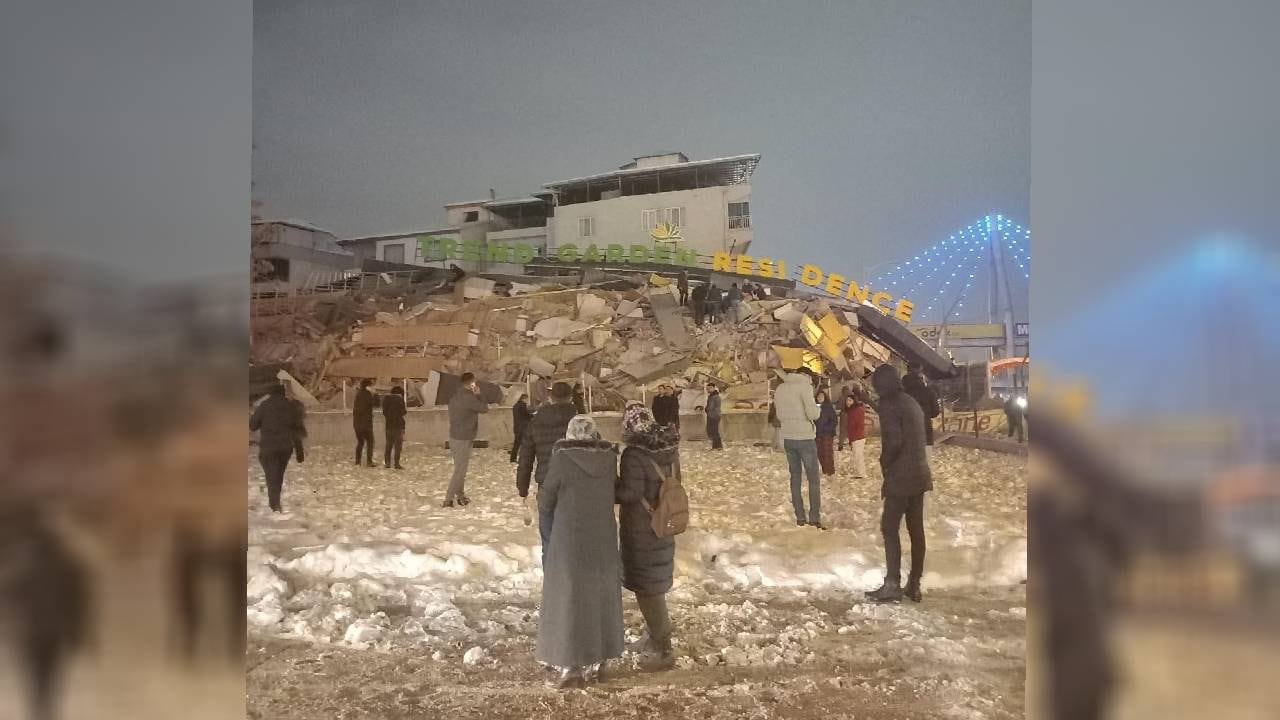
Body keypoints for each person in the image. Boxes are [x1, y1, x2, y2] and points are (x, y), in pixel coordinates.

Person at [536, 415, 624, 688]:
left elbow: (547, 498)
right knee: (601, 597)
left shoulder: (562, 459)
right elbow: (615, 492)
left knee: (569, 600)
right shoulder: (609, 459)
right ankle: (600, 661)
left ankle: (570, 666)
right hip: (603, 538)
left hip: (569, 539)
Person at [617, 403, 681, 671]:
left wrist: (609, 485)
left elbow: (630, 493)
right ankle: (656, 635)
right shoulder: (669, 449)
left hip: (642, 529)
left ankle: (662, 646)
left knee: (647, 588)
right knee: (653, 584)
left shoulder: (634, 454)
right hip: (664, 523)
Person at [866, 364, 933, 603]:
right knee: (916, 530)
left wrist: (884, 463)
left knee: (889, 528)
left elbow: (893, 441)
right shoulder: (909, 401)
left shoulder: (889, 403)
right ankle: (914, 584)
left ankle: (892, 583)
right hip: (920, 474)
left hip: (901, 477)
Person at [517, 381, 578, 564]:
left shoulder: (536, 422)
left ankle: (552, 583)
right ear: (570, 397)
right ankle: (573, 583)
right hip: (576, 485)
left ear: (550, 397)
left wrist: (523, 488)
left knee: (549, 539)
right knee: (575, 538)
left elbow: (525, 458)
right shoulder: (579, 422)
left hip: (547, 483)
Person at [775, 368, 825, 529]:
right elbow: (813, 414)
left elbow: (779, 415)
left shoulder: (780, 388)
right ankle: (814, 518)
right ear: (806, 376)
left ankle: (800, 517)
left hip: (788, 437)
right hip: (805, 438)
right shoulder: (805, 387)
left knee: (795, 478)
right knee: (813, 480)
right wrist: (818, 408)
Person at [250, 382, 305, 513]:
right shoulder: (291, 407)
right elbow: (297, 429)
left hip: (268, 447)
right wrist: (299, 450)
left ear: (270, 393)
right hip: (285, 448)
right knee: (278, 475)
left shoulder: (264, 406)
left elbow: (252, 425)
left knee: (271, 476)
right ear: (282, 393)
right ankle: (276, 502)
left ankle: (274, 504)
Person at [445, 372, 489, 507]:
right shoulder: (469, 398)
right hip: (463, 437)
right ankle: (448, 499)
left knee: (460, 469)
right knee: (460, 471)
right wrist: (479, 394)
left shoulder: (456, 396)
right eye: (474, 382)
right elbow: (484, 408)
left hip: (455, 436)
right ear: (471, 383)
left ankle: (461, 496)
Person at [903, 368, 941, 460]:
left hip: (907, 432)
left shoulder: (903, 394)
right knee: (926, 460)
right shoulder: (929, 392)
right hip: (925, 429)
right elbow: (935, 412)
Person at [352, 378, 377, 467]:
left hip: (357, 424)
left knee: (360, 442)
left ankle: (357, 461)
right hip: (366, 424)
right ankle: (369, 462)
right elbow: (376, 404)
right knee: (370, 442)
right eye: (372, 385)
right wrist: (375, 394)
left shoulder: (358, 395)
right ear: (368, 387)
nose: (373, 387)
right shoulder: (367, 395)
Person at [381, 386, 407, 469]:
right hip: (398, 425)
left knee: (388, 445)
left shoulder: (386, 399)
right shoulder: (400, 399)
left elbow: (384, 412)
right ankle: (396, 463)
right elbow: (403, 412)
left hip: (389, 425)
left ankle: (387, 463)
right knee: (398, 446)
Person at [843, 394, 868, 478]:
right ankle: (859, 472)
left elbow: (859, 425)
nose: (848, 402)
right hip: (854, 437)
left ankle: (861, 473)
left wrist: (854, 436)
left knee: (858, 456)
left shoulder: (857, 410)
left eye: (850, 400)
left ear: (854, 401)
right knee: (856, 455)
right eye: (847, 400)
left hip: (858, 437)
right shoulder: (850, 411)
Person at [815, 390, 838, 476]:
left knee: (827, 453)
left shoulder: (828, 407)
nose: (820, 398)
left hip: (827, 434)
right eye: (818, 397)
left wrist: (828, 428)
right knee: (819, 453)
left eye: (822, 396)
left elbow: (834, 420)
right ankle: (825, 469)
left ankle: (830, 471)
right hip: (817, 434)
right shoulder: (814, 408)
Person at [510, 393, 533, 463]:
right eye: (527, 399)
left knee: (516, 443)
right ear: (524, 399)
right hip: (523, 427)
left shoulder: (515, 406)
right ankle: (523, 459)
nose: (527, 401)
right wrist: (533, 415)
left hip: (516, 427)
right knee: (524, 444)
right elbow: (526, 416)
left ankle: (512, 458)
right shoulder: (523, 405)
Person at [703, 383, 723, 450]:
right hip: (711, 415)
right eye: (707, 388)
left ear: (713, 388)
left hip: (714, 416)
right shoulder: (711, 396)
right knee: (712, 431)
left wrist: (708, 410)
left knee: (714, 431)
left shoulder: (716, 396)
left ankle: (718, 446)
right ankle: (716, 446)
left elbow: (714, 407)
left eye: (709, 388)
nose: (708, 390)